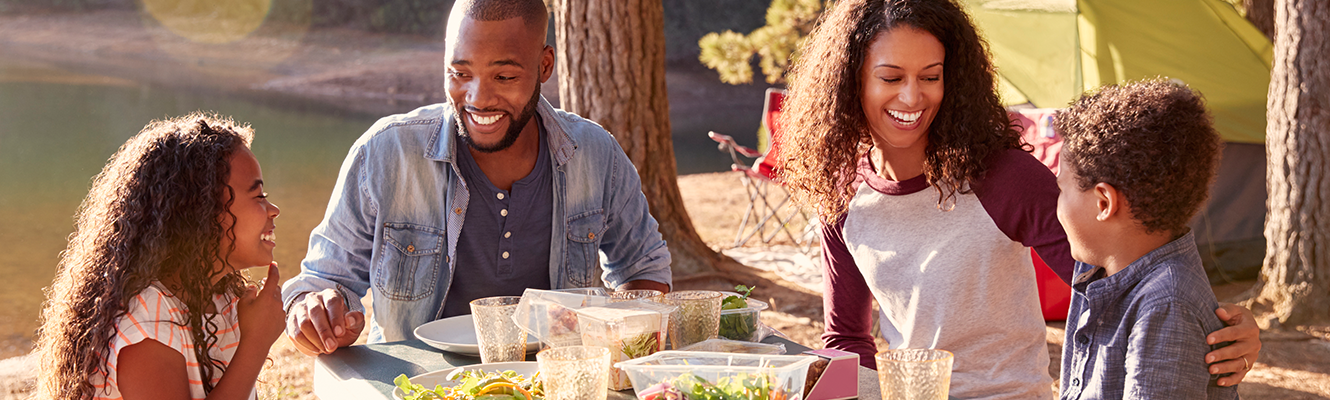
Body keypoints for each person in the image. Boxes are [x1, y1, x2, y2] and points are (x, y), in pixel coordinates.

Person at [776, 0, 1261, 398]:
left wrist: (1220, 329)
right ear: (850, 82)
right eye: (890, 77)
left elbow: (1123, 275)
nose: (912, 97)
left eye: (930, 76)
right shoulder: (840, 190)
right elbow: (846, 338)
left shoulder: (999, 177)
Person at [280, 0, 672, 355]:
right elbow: (323, 279)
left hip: (554, 384)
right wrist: (315, 310)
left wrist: (621, 333)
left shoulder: (596, 153)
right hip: (413, 386)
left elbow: (643, 270)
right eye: (460, 73)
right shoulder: (385, 152)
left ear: (545, 66)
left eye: (504, 77)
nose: (479, 98)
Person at [33, 113, 286, 399]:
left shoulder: (219, 296)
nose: (273, 209)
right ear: (200, 215)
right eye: (258, 196)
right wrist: (256, 343)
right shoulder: (147, 328)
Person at [1055, 80, 1238, 399]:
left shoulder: (1167, 306)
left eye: (1061, 189)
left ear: (1103, 203)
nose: (1057, 206)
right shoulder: (1096, 263)